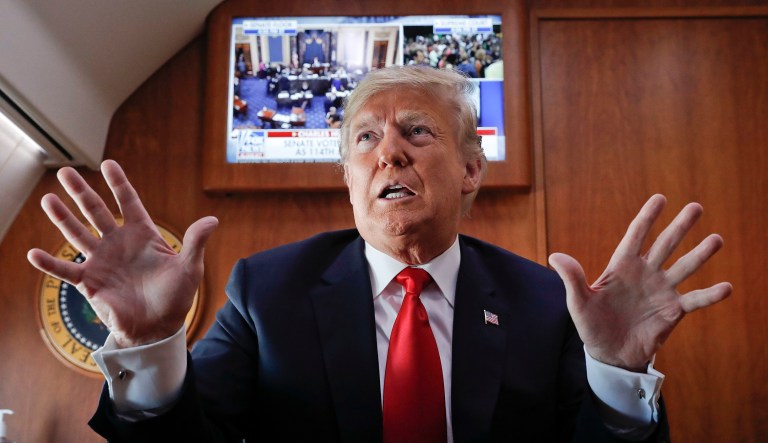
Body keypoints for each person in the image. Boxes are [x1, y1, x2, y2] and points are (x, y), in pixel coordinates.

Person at [27, 66, 731, 442]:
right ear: (348, 178)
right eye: (365, 139)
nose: (387, 150)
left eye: (417, 131)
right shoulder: (264, 291)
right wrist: (149, 347)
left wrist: (615, 373)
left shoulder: (548, 304)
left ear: (470, 170)